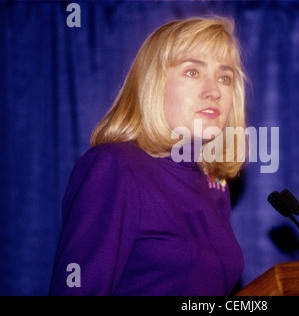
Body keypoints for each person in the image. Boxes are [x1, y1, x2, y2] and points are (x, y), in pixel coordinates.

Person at [49, 16, 247, 296]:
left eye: (224, 77)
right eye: (193, 72)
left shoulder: (214, 184)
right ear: (153, 83)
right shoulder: (113, 167)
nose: (213, 91)